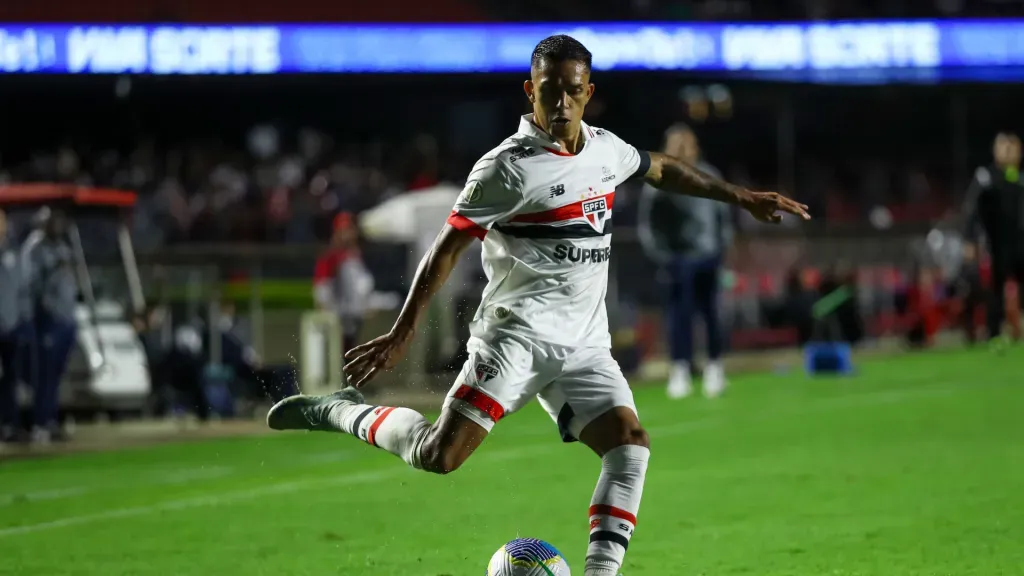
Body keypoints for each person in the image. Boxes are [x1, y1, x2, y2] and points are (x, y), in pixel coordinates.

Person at [267, 35, 809, 576]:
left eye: (573, 91)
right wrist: (402, 332)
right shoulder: (506, 168)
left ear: (588, 92)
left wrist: (741, 196)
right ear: (531, 91)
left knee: (630, 448)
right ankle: (340, 410)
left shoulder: (605, 150)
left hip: (585, 345)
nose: (561, 103)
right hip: (514, 339)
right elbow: (446, 249)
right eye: (550, 91)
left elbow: (662, 168)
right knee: (439, 456)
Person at [638, 123, 733, 399]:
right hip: (678, 258)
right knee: (679, 316)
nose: (682, 149)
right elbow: (649, 223)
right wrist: (662, 255)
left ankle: (714, 368)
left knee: (712, 315)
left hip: (708, 255)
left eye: (686, 143)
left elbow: (723, 214)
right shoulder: (660, 177)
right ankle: (680, 370)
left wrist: (721, 247)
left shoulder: (708, 174)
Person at [963, 132, 1024, 349]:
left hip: (1019, 241)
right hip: (995, 242)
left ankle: (1016, 329)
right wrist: (970, 239)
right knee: (995, 289)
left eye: (1013, 148)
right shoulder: (985, 176)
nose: (1009, 152)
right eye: (1004, 147)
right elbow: (972, 209)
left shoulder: (1018, 177)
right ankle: (994, 333)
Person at [23, 209, 79, 443]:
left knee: (56, 375)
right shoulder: (35, 248)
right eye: (52, 221)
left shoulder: (63, 247)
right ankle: (40, 422)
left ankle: (51, 420)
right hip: (47, 320)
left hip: (66, 318)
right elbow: (31, 284)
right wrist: (43, 312)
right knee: (44, 374)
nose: (57, 225)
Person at [313, 212, 375, 354]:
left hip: (355, 315)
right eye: (346, 230)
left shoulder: (356, 255)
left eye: (351, 230)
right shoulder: (331, 256)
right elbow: (322, 287)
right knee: (339, 355)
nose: (350, 234)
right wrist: (326, 311)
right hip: (339, 316)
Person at [0, 209, 30, 444]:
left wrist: (22, 318)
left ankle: (10, 424)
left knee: (11, 379)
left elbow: (22, 290)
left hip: (11, 327)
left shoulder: (12, 251)